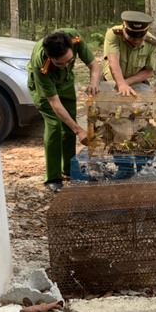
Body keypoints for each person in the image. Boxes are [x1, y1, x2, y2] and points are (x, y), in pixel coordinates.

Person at [27, 29, 101, 192]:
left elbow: (94, 65)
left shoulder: (74, 38)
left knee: (69, 125)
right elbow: (54, 102)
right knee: (54, 125)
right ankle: (53, 178)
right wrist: (79, 130)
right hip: (45, 89)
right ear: (49, 57)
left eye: (69, 61)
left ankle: (68, 170)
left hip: (66, 82)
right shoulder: (42, 66)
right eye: (59, 63)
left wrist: (94, 82)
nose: (65, 66)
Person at [103, 11, 156, 97]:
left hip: (136, 83)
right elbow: (113, 61)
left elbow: (149, 71)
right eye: (132, 37)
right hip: (110, 82)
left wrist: (126, 83)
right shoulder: (114, 34)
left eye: (140, 37)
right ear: (123, 28)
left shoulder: (152, 43)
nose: (136, 40)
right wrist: (121, 84)